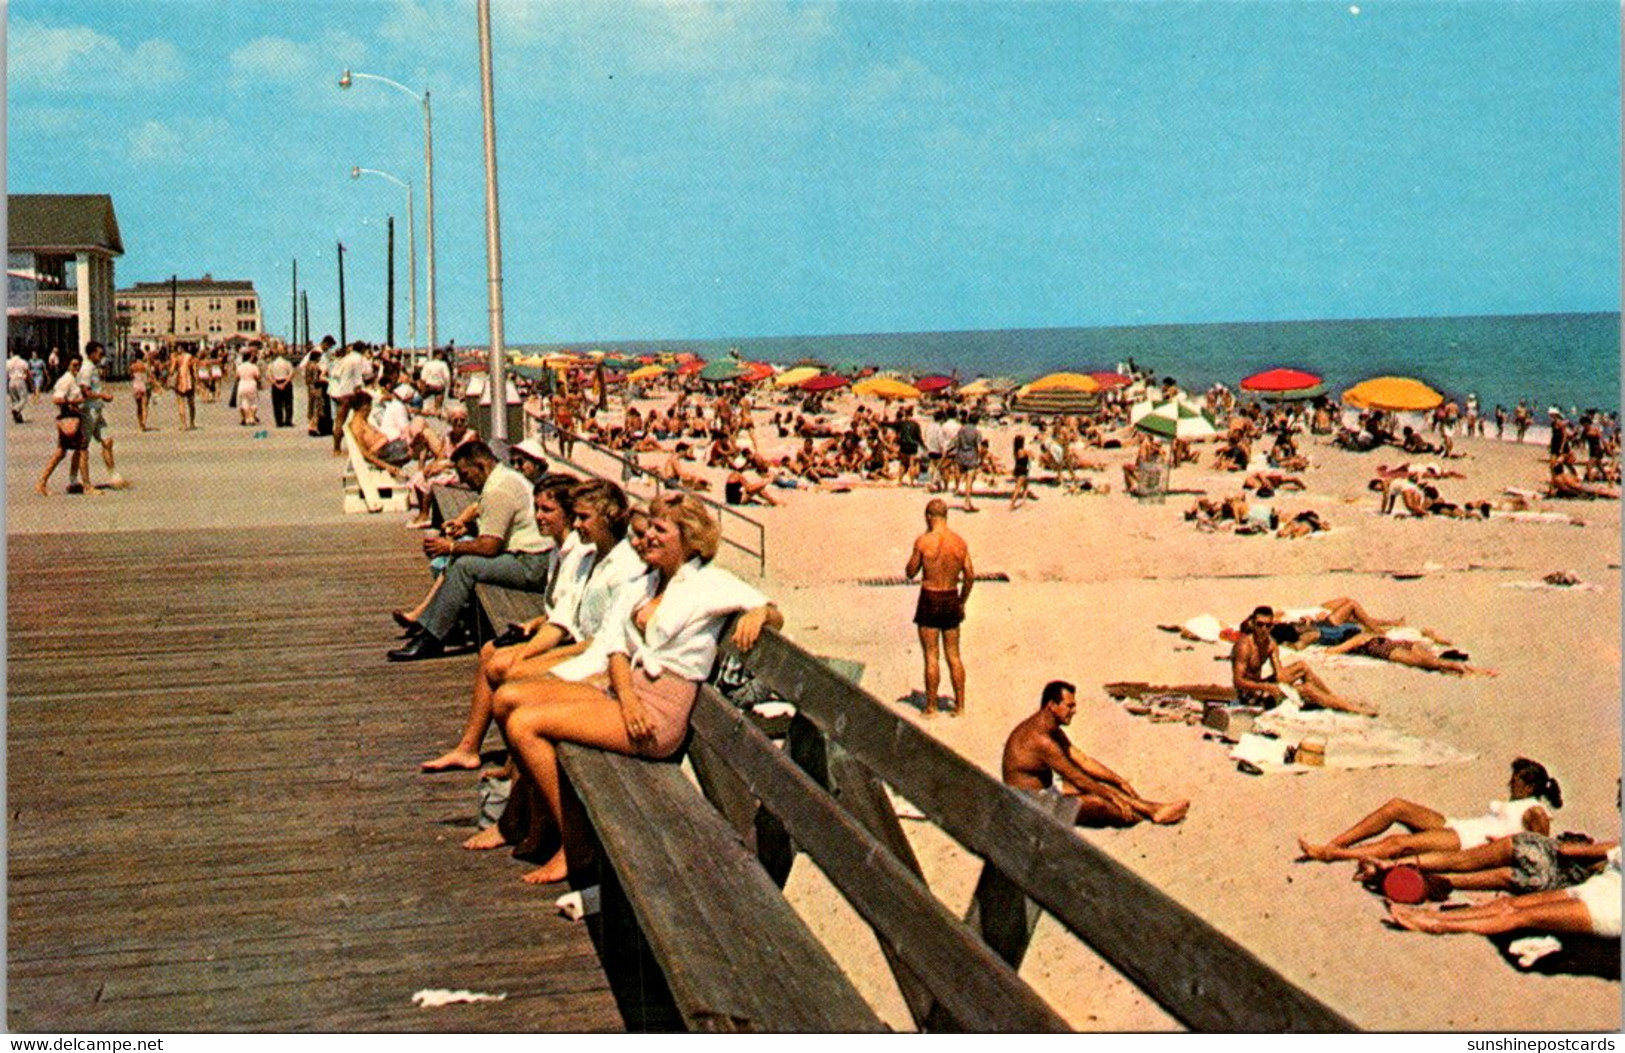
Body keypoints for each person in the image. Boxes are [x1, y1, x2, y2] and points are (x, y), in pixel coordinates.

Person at [491, 494, 782, 884]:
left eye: (660, 531)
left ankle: (575, 845)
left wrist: (760, 613)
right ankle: (540, 822)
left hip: (659, 716)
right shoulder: (646, 583)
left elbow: (773, 611)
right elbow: (614, 649)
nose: (647, 539)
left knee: (525, 725)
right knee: (508, 697)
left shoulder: (709, 583)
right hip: (629, 697)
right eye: (646, 532)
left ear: (690, 539)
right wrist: (627, 700)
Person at [388, 441, 553, 661]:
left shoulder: (498, 490)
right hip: (530, 557)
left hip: (532, 565)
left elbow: (489, 546)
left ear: (482, 465)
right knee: (462, 561)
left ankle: (432, 639)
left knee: (465, 566)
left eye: (466, 474)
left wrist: (451, 546)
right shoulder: (504, 478)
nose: (464, 480)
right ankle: (434, 629)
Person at [1297, 757, 1563, 863]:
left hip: (1470, 841)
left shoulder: (1535, 810)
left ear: (1529, 787)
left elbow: (1541, 848)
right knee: (1397, 806)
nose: (1509, 784)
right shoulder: (1521, 803)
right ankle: (1335, 843)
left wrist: (1502, 845)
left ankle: (1336, 854)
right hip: (1460, 826)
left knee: (1399, 843)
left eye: (1514, 781)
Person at [1003, 680, 1189, 826]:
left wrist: (1118, 781)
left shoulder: (1049, 729)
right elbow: (1077, 777)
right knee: (1099, 802)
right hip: (1029, 807)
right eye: (1069, 706)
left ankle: (1152, 810)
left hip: (1044, 793)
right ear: (1052, 705)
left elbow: (1082, 760)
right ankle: (1146, 814)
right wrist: (1111, 796)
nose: (1074, 711)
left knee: (1105, 787)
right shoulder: (1040, 740)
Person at [1388, 844, 1621, 939]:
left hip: (1611, 907)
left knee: (1521, 916)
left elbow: (1569, 850)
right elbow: (1577, 854)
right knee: (1508, 905)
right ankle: (1434, 916)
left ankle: (1439, 925)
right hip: (1594, 888)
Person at [1230, 605, 1373, 715]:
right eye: (1260, 625)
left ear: (1272, 626)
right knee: (1307, 689)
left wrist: (1284, 684)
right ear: (1253, 624)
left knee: (1302, 666)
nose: (1263, 629)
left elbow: (1279, 674)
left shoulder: (1271, 644)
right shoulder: (1244, 646)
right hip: (1249, 697)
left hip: (1263, 687)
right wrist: (1269, 687)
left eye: (1267, 625)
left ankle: (1333, 699)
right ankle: (1350, 708)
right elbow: (1238, 681)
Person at [906, 498, 972, 717]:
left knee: (931, 656)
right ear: (946, 516)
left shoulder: (924, 541)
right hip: (951, 596)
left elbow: (910, 571)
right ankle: (960, 706)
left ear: (928, 516)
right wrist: (962, 600)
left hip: (930, 596)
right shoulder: (960, 542)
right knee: (954, 654)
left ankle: (931, 707)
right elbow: (970, 575)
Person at [37, 351, 88, 496]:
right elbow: (57, 399)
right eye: (74, 365)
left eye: (79, 365)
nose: (76, 368)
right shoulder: (66, 380)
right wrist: (73, 402)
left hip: (73, 417)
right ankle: (42, 482)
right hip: (68, 418)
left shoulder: (73, 379)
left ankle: (71, 481)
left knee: (71, 450)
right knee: (64, 452)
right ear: (67, 365)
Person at [76, 342, 124, 488]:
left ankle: (114, 476)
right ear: (91, 354)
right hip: (88, 410)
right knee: (83, 447)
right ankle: (86, 483)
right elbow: (85, 391)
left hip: (97, 410)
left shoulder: (94, 369)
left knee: (107, 441)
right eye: (99, 354)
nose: (101, 357)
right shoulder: (86, 369)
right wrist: (102, 395)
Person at [328, 341, 367, 456]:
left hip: (337, 392)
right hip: (349, 393)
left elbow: (335, 373)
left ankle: (336, 448)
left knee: (339, 420)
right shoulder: (359, 359)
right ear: (363, 350)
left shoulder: (345, 358)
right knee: (362, 415)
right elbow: (358, 378)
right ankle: (361, 445)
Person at [953, 412, 982, 511]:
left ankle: (960, 492)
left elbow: (957, 442)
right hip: (971, 456)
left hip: (961, 455)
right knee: (969, 481)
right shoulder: (976, 432)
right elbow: (978, 447)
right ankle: (967, 502)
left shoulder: (961, 430)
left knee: (962, 476)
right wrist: (980, 458)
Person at [267, 346, 296, 427]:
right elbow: (291, 374)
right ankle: (288, 421)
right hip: (286, 382)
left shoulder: (272, 364)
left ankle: (279, 421)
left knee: (277, 404)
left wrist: (276, 384)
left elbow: (269, 375)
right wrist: (285, 383)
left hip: (276, 382)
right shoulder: (287, 363)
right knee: (288, 403)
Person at [171, 344, 198, 430]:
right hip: (189, 382)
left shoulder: (176, 358)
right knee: (191, 404)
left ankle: (183, 424)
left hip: (180, 382)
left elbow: (171, 371)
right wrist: (196, 383)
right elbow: (194, 371)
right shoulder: (190, 358)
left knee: (181, 404)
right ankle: (192, 423)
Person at [235, 348, 262, 426]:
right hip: (251, 384)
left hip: (242, 383)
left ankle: (246, 418)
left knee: (244, 401)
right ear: (250, 357)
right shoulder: (254, 367)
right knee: (253, 402)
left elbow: (237, 377)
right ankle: (252, 417)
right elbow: (258, 376)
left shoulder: (239, 367)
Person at [130, 351, 153, 431]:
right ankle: (144, 423)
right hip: (143, 385)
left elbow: (131, 376)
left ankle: (140, 423)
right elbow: (150, 376)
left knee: (138, 406)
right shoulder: (145, 366)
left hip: (136, 386)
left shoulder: (132, 366)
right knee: (144, 406)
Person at [7, 349, 29, 423]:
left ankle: (17, 417)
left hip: (11, 381)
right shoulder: (23, 362)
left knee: (14, 399)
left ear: (12, 353)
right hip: (20, 380)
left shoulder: (8, 362)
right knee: (23, 398)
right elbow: (27, 372)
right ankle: (16, 410)